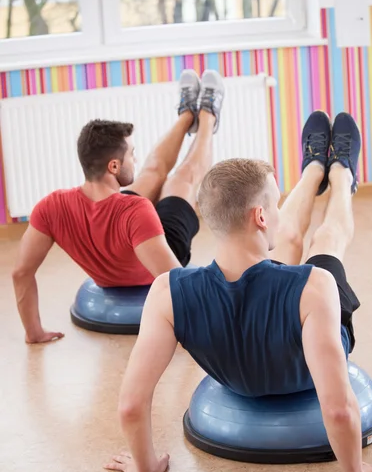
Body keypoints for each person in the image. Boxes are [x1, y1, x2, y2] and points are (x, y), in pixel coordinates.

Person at [105, 111, 372, 472]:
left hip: (242, 363)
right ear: (261, 215)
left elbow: (130, 405)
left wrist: (145, 467)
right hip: (301, 339)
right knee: (328, 240)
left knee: (287, 238)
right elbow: (340, 408)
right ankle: (341, 175)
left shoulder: (166, 292)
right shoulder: (316, 285)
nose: (275, 211)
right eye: (274, 204)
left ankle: (313, 168)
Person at [12, 69, 225, 345]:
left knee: (150, 172)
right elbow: (177, 281)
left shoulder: (50, 206)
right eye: (131, 155)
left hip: (124, 241)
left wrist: (33, 332)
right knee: (183, 178)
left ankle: (186, 115)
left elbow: (20, 272)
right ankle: (208, 115)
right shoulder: (135, 209)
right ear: (113, 165)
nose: (134, 158)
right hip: (162, 247)